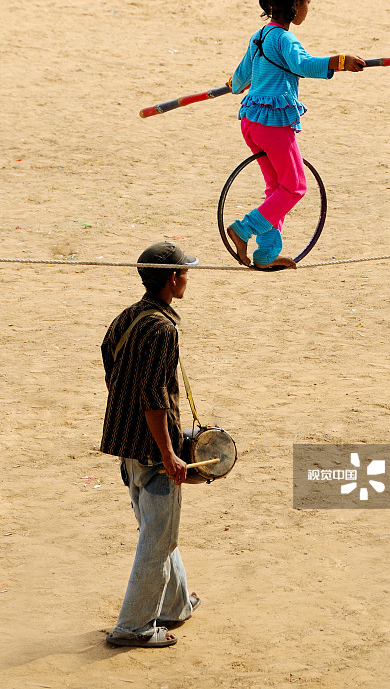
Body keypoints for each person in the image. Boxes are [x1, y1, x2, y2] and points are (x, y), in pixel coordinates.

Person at [228, 0, 366, 269]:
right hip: (273, 124)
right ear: (295, 4)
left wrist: (232, 85)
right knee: (295, 187)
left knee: (276, 186)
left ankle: (266, 254)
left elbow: (242, 77)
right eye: (307, 2)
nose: (308, 8)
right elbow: (303, 65)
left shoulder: (260, 35)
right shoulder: (285, 38)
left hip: (251, 120)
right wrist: (340, 62)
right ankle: (244, 228)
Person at [101, 241, 201, 648]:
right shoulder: (163, 329)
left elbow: (110, 360)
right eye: (185, 273)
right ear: (173, 278)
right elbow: (155, 398)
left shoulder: (128, 317)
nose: (187, 278)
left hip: (126, 443)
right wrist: (168, 452)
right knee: (157, 539)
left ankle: (174, 606)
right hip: (152, 450)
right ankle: (134, 627)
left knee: (158, 531)